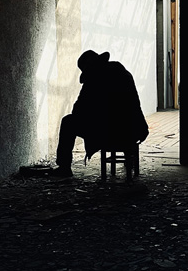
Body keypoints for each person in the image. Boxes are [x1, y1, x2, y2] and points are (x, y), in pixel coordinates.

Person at [53, 49, 149, 177]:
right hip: (133, 130)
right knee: (118, 121)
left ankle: (64, 166)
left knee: (68, 122)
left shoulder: (93, 79)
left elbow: (78, 111)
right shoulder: (123, 73)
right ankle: (129, 154)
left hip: (107, 131)